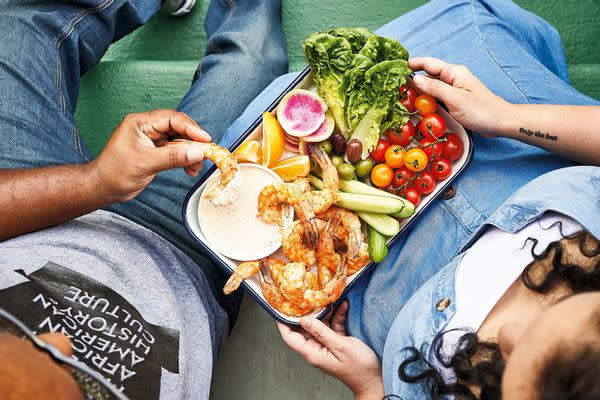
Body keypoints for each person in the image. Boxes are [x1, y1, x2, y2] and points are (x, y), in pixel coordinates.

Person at [208, 0, 600, 398]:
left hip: (376, 272)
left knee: (234, 135)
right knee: (469, 13)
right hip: (499, 146)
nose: (510, 337)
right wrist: (503, 115)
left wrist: (369, 386)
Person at [0, 0, 287, 398]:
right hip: (182, 246)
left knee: (23, 21)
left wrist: (97, 181)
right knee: (249, 59)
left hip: (32, 211)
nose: (60, 342)